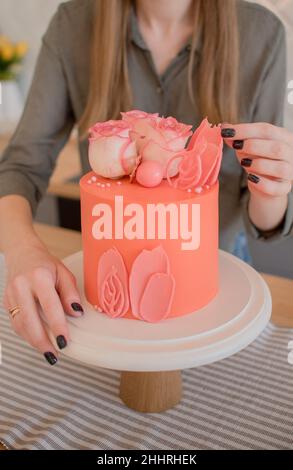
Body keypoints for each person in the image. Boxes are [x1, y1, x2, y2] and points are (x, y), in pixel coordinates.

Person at [0, 0, 292, 365]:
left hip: (219, 275)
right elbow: (21, 164)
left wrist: (271, 188)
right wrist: (23, 251)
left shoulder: (263, 34)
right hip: (106, 287)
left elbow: (265, 219)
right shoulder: (73, 25)